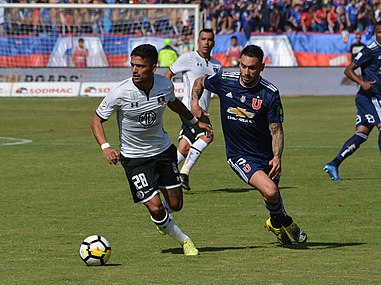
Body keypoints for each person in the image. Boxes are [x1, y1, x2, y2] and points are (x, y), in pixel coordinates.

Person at [91, 44, 212, 255]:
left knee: (176, 205)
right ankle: (185, 241)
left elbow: (174, 104)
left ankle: (162, 220)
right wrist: (106, 146)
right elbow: (96, 120)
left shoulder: (164, 86)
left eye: (140, 66)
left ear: (153, 67)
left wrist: (194, 122)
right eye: (132, 65)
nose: (134, 70)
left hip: (163, 152)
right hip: (134, 159)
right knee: (155, 206)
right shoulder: (120, 92)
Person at [190, 45, 307, 246]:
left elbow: (277, 129)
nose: (246, 72)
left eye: (252, 68)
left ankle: (275, 225)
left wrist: (277, 156)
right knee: (270, 191)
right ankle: (286, 221)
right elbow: (199, 82)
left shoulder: (269, 93)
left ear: (262, 66)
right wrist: (194, 103)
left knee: (271, 196)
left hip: (265, 155)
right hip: (238, 155)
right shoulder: (225, 81)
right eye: (243, 66)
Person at [164, 29, 222, 191]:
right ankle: (184, 173)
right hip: (189, 108)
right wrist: (169, 95)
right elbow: (168, 74)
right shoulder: (188, 58)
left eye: (209, 40)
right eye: (203, 39)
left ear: (213, 43)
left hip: (203, 109)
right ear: (198, 41)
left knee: (184, 146)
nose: (206, 42)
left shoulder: (217, 65)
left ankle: (164, 172)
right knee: (207, 134)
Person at [323, 21, 381, 181]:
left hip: (374, 98)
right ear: (375, 33)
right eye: (379, 32)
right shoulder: (370, 50)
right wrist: (362, 82)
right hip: (371, 98)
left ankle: (333, 164)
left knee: (361, 134)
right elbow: (348, 70)